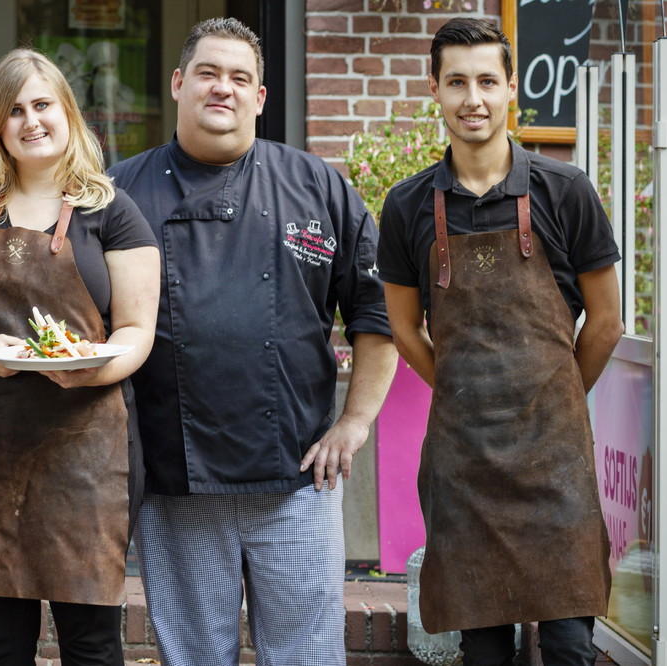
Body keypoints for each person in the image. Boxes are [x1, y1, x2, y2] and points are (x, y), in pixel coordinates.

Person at [107, 17, 397, 666]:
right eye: (208, 73)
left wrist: (354, 424)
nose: (223, 89)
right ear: (180, 84)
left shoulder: (318, 186)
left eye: (240, 78)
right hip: (175, 479)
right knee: (194, 659)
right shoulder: (121, 193)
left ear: (260, 98)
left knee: (306, 657)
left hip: (297, 480)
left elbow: (377, 315)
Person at [378, 17, 624, 665]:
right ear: (433, 88)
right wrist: (461, 388)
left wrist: (558, 393)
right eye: (456, 82)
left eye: (488, 80)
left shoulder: (565, 191)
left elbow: (605, 322)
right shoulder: (407, 207)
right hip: (465, 467)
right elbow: (402, 327)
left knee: (571, 646)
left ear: (512, 88)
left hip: (556, 463)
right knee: (482, 650)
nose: (473, 99)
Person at [0, 48, 159, 665]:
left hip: (85, 453)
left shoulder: (112, 211)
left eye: (43, 105)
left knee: (91, 645)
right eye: (15, 110)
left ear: (67, 114)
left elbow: (137, 330)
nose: (31, 121)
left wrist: (92, 361)